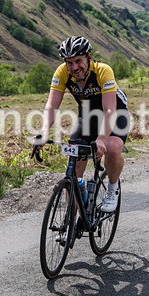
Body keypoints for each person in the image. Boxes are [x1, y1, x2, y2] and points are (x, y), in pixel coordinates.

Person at [33, 35, 128, 213]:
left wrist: (101, 139)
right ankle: (70, 224)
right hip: (88, 116)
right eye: (70, 63)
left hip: (115, 113)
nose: (74, 67)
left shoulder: (102, 71)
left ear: (89, 58)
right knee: (74, 167)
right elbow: (51, 106)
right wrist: (43, 132)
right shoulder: (62, 73)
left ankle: (113, 188)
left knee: (113, 148)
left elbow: (110, 111)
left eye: (78, 61)